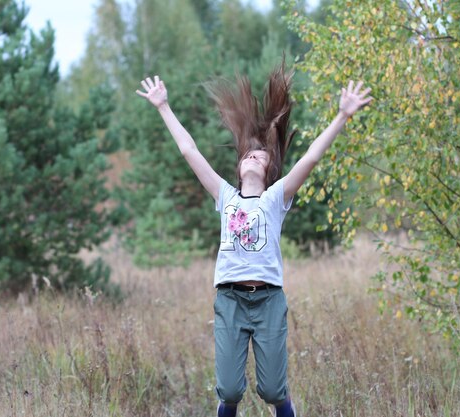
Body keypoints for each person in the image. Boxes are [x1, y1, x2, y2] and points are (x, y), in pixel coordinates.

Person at [136, 61, 372, 417]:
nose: (251, 156)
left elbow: (311, 157)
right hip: (230, 299)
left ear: (269, 169)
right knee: (229, 390)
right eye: (247, 154)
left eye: (259, 155)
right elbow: (189, 151)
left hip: (268, 301)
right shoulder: (224, 197)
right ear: (239, 167)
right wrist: (163, 106)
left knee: (273, 390)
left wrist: (341, 116)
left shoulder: (276, 198)